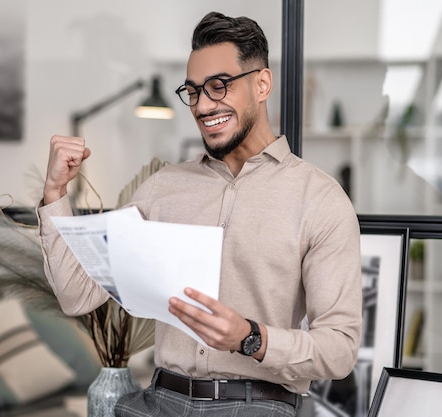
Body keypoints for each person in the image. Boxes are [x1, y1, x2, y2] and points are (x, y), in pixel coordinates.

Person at [38, 11, 362, 417]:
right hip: (159, 400)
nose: (203, 105)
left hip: (258, 406)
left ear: (262, 84)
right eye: (193, 91)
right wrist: (54, 192)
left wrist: (250, 338)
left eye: (218, 86)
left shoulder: (319, 199)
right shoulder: (163, 187)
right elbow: (77, 295)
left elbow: (340, 349)